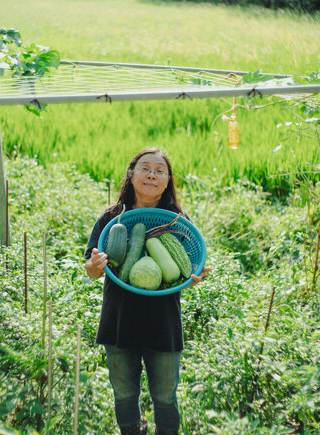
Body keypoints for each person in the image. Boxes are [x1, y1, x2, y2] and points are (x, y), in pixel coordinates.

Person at [83, 147, 210, 435]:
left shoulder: (177, 220)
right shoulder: (111, 218)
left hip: (162, 321)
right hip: (119, 319)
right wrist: (96, 265)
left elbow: (189, 264)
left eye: (159, 170)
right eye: (145, 168)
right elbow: (90, 268)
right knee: (124, 394)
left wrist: (194, 277)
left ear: (168, 181)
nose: (152, 175)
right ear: (131, 175)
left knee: (165, 397)